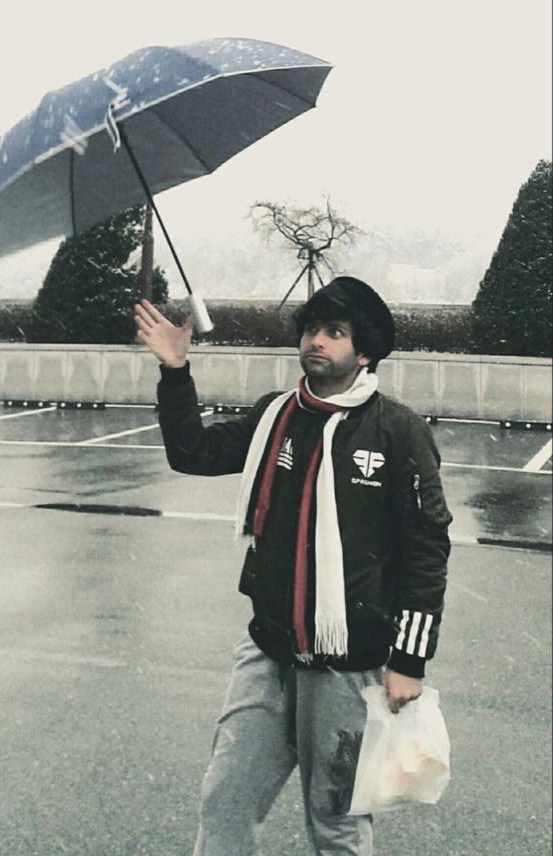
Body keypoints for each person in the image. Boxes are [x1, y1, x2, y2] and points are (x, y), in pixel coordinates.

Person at [134, 277, 452, 856]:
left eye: (335, 332)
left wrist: (409, 661)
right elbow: (192, 453)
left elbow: (427, 550)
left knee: (336, 825)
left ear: (365, 352)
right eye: (311, 329)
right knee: (225, 802)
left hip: (348, 667)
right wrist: (175, 371)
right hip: (268, 651)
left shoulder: (398, 431)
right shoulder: (275, 416)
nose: (316, 341)